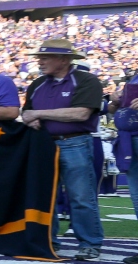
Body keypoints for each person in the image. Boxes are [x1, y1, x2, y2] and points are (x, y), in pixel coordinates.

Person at [21, 39, 104, 261]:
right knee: (46, 196)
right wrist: (31, 120)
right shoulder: (37, 83)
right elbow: (26, 114)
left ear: (64, 60)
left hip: (75, 142)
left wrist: (39, 114)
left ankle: (90, 243)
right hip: (43, 144)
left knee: (81, 197)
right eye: (39, 57)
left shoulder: (87, 80)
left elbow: (81, 114)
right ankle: (48, 241)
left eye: (45, 57)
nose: (39, 61)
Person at [107, 73, 138, 264]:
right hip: (129, 139)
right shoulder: (134, 78)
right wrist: (116, 101)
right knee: (136, 196)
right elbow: (112, 109)